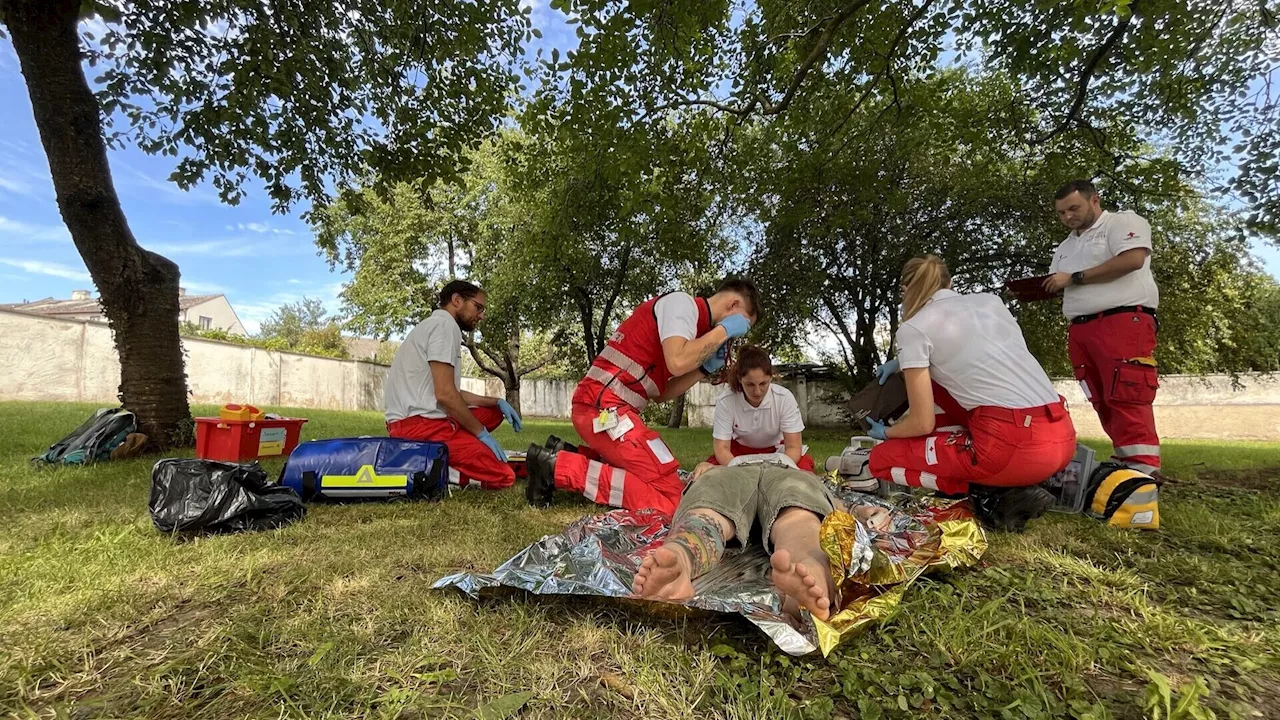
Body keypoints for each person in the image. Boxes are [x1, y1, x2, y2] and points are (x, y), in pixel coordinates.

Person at [867, 255, 1077, 531]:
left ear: (906, 291)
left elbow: (922, 422)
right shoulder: (990, 302)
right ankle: (1003, 483)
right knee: (939, 382)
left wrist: (886, 433)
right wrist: (903, 364)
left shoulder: (913, 328)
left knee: (880, 460)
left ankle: (988, 495)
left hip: (1012, 448)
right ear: (950, 283)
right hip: (1061, 437)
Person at [525, 278, 762, 515]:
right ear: (733, 305)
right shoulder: (683, 305)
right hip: (603, 409)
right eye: (743, 324)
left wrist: (703, 369)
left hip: (609, 409)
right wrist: (723, 331)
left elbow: (661, 394)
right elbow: (678, 362)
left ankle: (566, 453)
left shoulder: (690, 326)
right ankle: (554, 467)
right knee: (672, 500)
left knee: (661, 476)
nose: (737, 335)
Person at [632, 458, 893, 621]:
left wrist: (856, 511)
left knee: (800, 513)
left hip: (787, 471)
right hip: (731, 471)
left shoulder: (800, 465)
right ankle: (679, 560)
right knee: (709, 508)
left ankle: (810, 570)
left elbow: (825, 498)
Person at [1042, 179, 1161, 476]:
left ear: (1094, 200)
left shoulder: (1121, 222)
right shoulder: (1066, 246)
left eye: (1074, 208)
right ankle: (1126, 461)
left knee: (1127, 393)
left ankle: (1144, 473)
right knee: (1100, 396)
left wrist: (1075, 277)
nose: (1068, 217)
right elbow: (1059, 280)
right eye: (1061, 213)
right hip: (1081, 327)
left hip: (1122, 320)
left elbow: (1133, 259)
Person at [384, 280, 523, 489]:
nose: (482, 315)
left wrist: (496, 401)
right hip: (419, 428)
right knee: (504, 477)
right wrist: (480, 433)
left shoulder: (437, 325)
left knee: (493, 412)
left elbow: (451, 391)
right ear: (457, 300)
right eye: (478, 307)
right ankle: (434, 469)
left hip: (422, 421)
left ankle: (462, 451)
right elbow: (446, 395)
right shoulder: (444, 327)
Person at [705, 345, 814, 471]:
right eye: (750, 384)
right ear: (740, 379)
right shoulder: (726, 401)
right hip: (738, 455)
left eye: (763, 383)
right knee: (711, 472)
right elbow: (722, 449)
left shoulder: (784, 398)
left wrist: (776, 469)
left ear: (771, 378)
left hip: (778, 453)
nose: (757, 391)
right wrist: (740, 471)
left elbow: (793, 447)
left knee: (804, 471)